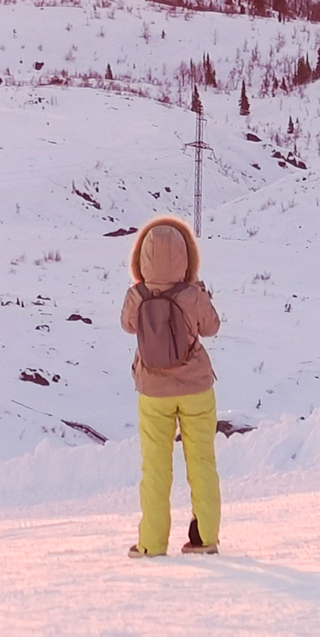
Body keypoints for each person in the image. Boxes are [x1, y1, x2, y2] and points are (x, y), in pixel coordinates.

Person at [119, 215, 222, 558]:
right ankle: (204, 537)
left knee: (155, 469)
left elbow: (127, 326)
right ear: (187, 256)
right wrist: (200, 294)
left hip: (153, 391)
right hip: (196, 389)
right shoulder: (192, 295)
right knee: (202, 463)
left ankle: (151, 542)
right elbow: (211, 328)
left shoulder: (136, 295)